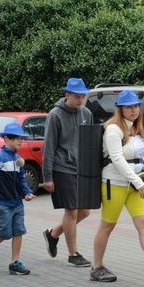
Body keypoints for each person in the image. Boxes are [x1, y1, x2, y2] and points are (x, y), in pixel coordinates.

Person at [90, 90, 144, 283]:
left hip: (135, 184)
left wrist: (141, 179)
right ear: (120, 109)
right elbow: (117, 159)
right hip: (114, 183)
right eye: (129, 106)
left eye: (136, 106)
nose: (134, 110)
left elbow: (137, 156)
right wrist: (139, 182)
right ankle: (97, 267)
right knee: (107, 226)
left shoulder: (135, 128)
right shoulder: (113, 129)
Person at [41, 78, 93, 268]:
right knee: (71, 210)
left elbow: (90, 142)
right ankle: (73, 254)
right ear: (67, 95)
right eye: (77, 96)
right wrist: (47, 176)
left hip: (82, 169)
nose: (80, 100)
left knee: (85, 211)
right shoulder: (55, 115)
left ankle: (53, 234)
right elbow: (49, 146)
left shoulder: (86, 113)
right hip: (62, 167)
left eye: (83, 96)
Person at [0, 123, 35, 275]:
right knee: (4, 233)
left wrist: (27, 193)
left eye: (22, 139)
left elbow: (21, 180)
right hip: (2, 203)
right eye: (17, 139)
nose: (20, 142)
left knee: (18, 231)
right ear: (6, 138)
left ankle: (14, 262)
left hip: (17, 202)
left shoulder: (18, 159)